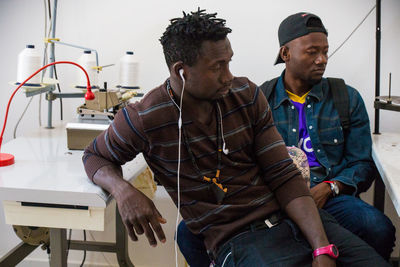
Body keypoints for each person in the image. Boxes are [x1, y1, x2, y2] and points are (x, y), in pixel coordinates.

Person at [83, 9, 389, 267]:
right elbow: (94, 156)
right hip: (240, 240)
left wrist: (322, 246)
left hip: (294, 217)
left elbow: (283, 176)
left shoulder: (245, 96)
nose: (229, 75)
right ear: (182, 72)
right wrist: (123, 191)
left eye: (229, 62)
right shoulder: (146, 117)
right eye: (218, 67)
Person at [177, 12, 396, 266]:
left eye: (325, 51)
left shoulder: (345, 98)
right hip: (273, 200)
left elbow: (361, 164)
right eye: (312, 52)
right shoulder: (258, 98)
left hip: (333, 198)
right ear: (285, 54)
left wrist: (330, 188)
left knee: (376, 226)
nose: (322, 59)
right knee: (187, 231)